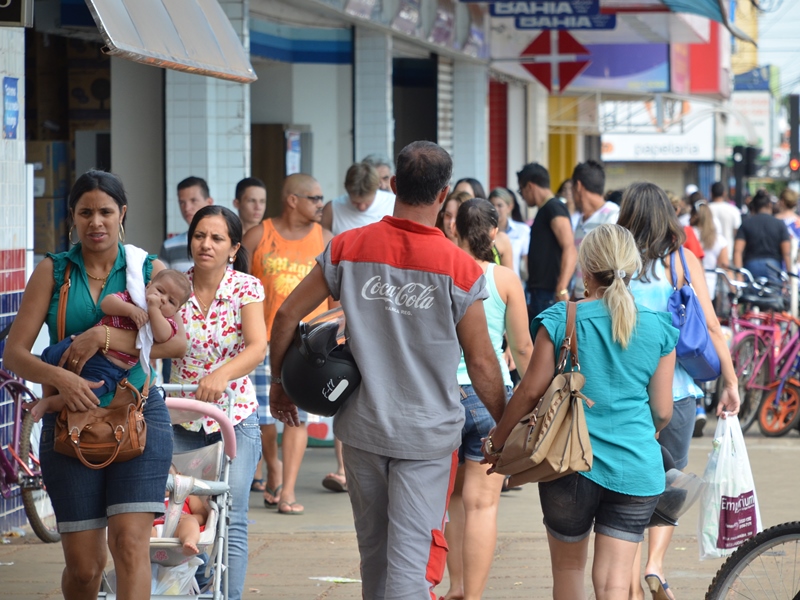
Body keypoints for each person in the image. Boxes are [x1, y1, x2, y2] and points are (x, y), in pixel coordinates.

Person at [269, 140, 507, 598]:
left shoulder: (347, 247)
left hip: (361, 430)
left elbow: (285, 317)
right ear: (444, 197)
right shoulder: (459, 268)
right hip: (427, 437)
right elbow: (480, 360)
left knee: (375, 560)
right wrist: (505, 423)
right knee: (408, 570)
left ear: (393, 185)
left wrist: (281, 385)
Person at [4, 169, 187, 600]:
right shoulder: (54, 271)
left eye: (105, 211)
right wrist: (61, 379)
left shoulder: (147, 269)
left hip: (138, 416)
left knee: (129, 545)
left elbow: (176, 342)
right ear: (73, 217)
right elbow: (15, 353)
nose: (96, 222)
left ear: (122, 213)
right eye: (85, 212)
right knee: (85, 568)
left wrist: (103, 336)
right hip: (72, 421)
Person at [483, 223, 677, 600]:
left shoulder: (561, 319)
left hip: (568, 464)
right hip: (636, 467)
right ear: (632, 268)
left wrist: (498, 439)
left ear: (585, 270)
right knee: (616, 583)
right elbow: (663, 412)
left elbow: (529, 391)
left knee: (568, 569)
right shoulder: (657, 327)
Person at [617, 182, 740, 600]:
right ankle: (655, 566)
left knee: (629, 488)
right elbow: (710, 325)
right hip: (678, 391)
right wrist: (731, 381)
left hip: (625, 391)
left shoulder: (615, 262)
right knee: (668, 483)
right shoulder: (681, 261)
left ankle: (629, 584)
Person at [170, 205, 267, 600]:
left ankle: (229, 595)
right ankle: (196, 585)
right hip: (181, 421)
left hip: (234, 419)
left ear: (233, 247)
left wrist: (221, 375)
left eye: (216, 238)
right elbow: (156, 339)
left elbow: (258, 345)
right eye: (199, 236)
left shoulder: (246, 287)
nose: (205, 244)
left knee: (231, 514)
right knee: (181, 511)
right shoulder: (172, 285)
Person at [440, 199, 533, 600]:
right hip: (488, 397)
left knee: (453, 500)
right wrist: (533, 399)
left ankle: (456, 586)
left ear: (455, 229)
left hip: (440, 396)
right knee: (482, 505)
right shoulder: (506, 280)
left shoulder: (442, 272)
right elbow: (523, 347)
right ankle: (472, 596)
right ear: (494, 233)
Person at [242, 173, 333, 514]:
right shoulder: (258, 235)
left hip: (308, 347)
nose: (321, 205)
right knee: (263, 417)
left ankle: (289, 491)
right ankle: (272, 465)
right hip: (262, 342)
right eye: (315, 198)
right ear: (293, 199)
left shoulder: (325, 238)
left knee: (299, 419)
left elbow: (338, 295)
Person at [31, 268, 191, 421]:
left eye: (171, 301)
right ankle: (46, 395)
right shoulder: (133, 299)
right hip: (85, 344)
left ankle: (49, 403)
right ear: (148, 286)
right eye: (160, 291)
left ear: (177, 310)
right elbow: (107, 303)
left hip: (110, 370)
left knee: (88, 396)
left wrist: (154, 309)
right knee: (49, 356)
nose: (163, 299)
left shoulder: (166, 323)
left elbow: (162, 336)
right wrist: (129, 310)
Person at [518, 162, 577, 317]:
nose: (522, 196)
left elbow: (570, 247)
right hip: (540, 293)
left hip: (549, 295)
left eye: (521, 190)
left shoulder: (553, 208)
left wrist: (562, 288)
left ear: (529, 186)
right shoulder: (546, 209)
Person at [571, 160, 619, 299]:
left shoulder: (613, 216)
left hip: (602, 300)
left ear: (578, 186)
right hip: (582, 296)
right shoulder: (581, 220)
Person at [733, 189, 791, 283]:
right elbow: (786, 253)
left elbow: (737, 251)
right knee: (774, 296)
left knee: (750, 297)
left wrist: (739, 275)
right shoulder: (779, 224)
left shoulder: (746, 224)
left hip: (751, 266)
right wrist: (789, 275)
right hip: (773, 266)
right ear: (769, 205)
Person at [321, 162, 394, 235]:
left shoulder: (393, 203)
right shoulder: (332, 210)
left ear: (377, 187)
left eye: (367, 202)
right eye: (355, 202)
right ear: (346, 189)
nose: (362, 207)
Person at [152, 467, 210, 556]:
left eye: (168, 475)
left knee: (190, 522)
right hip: (154, 530)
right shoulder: (150, 499)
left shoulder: (187, 495)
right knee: (140, 527)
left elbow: (203, 514)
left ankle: (189, 541)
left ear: (179, 476)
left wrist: (193, 517)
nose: (164, 481)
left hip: (179, 528)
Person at [159, 176, 214, 272]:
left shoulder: (225, 242)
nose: (187, 208)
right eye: (182, 202)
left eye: (193, 201)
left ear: (209, 202)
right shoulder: (169, 246)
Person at [488, 187, 530, 279]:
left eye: (500, 205)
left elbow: (527, 262)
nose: (495, 209)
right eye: (492, 205)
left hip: (515, 282)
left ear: (509, 207)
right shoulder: (483, 231)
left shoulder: (522, 230)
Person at [708, 181, 741, 250]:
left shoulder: (706, 209)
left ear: (711, 194)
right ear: (724, 193)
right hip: (728, 250)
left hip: (709, 251)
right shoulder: (733, 210)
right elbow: (737, 233)